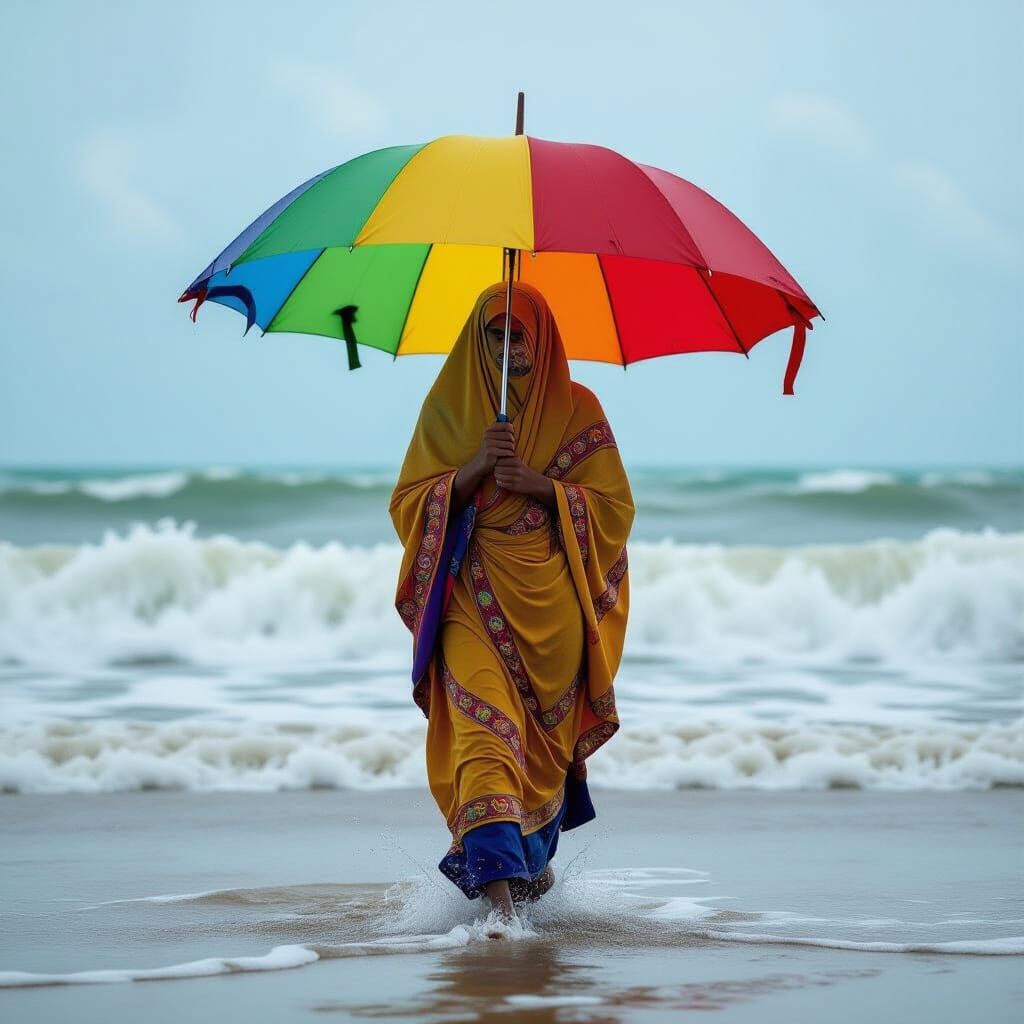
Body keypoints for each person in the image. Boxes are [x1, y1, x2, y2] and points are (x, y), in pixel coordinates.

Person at [389, 279, 634, 931]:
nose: (506, 348)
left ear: (541, 341)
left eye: (517, 335)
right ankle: (499, 916)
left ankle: (520, 877)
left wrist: (542, 486)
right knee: (482, 743)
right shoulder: (449, 409)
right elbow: (407, 503)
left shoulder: (580, 410)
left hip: (551, 624)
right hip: (472, 604)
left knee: (531, 762)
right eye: (494, 334)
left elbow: (614, 511)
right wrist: (470, 470)